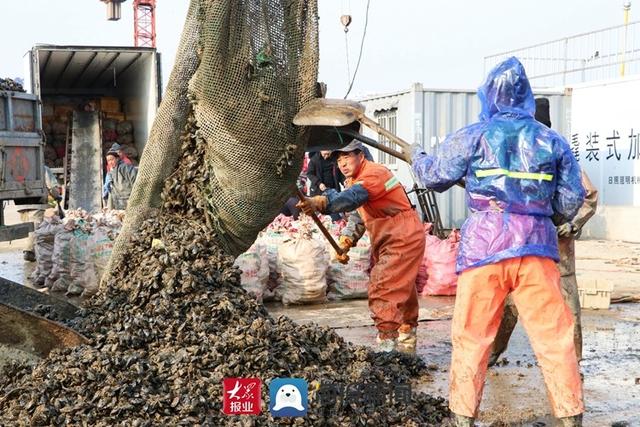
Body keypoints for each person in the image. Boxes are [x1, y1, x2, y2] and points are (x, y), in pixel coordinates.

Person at [411, 57, 586, 426]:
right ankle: (570, 419)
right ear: (526, 98)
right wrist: (539, 216)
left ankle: (462, 417)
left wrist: (417, 157)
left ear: (488, 96)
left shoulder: (474, 134)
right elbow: (571, 200)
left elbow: (435, 176)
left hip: (483, 252)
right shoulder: (550, 140)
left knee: (472, 338)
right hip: (536, 251)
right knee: (555, 339)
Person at [489, 98, 599, 366]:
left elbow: (588, 196)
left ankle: (572, 363)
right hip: (520, 247)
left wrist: (573, 223)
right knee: (508, 306)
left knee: (566, 307)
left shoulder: (560, 157)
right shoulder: (510, 161)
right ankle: (492, 353)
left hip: (556, 251)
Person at [297, 140, 425, 353]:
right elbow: (358, 214)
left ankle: (387, 341)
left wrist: (319, 203)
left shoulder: (374, 174)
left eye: (347, 157)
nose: (343, 164)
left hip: (402, 234)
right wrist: (346, 241)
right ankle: (407, 331)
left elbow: (351, 199)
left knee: (383, 285)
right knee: (402, 285)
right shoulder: (354, 180)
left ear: (361, 156)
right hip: (388, 235)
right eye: (339, 160)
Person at [19, 166, 62, 261]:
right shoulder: (43, 168)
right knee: (35, 228)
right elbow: (52, 187)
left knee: (28, 227)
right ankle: (29, 251)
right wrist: (57, 196)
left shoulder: (20, 168)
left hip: (21, 205)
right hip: (37, 204)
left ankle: (31, 251)